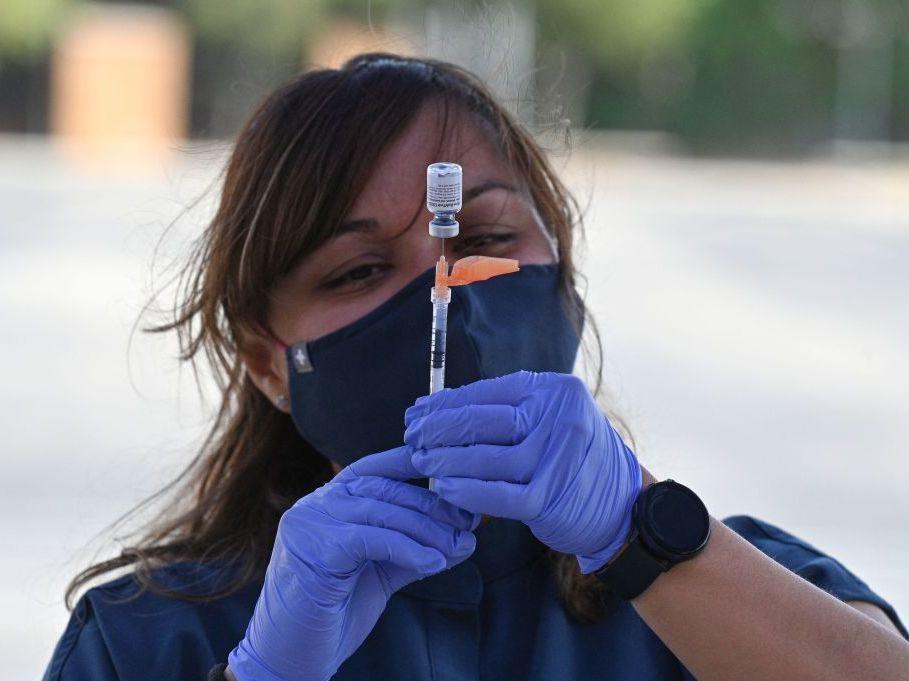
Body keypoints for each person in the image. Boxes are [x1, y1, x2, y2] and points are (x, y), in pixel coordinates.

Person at [43, 53, 908, 681]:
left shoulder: (735, 593)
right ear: (268, 361)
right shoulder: (144, 642)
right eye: (358, 271)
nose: (441, 289)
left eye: (487, 240)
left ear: (564, 280)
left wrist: (641, 537)